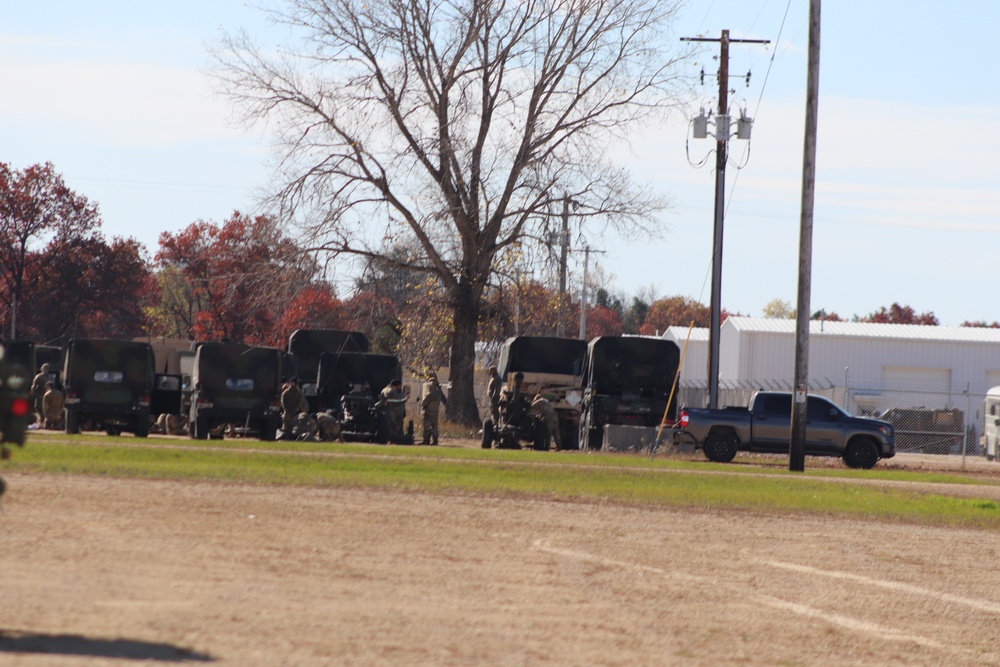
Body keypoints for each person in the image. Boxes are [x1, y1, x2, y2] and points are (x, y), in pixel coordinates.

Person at [420, 373, 448, 446]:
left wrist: (423, 404)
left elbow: (427, 397)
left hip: (428, 409)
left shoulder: (430, 388)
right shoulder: (438, 390)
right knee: (434, 426)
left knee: (426, 425)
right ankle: (435, 441)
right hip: (435, 410)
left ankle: (426, 440)